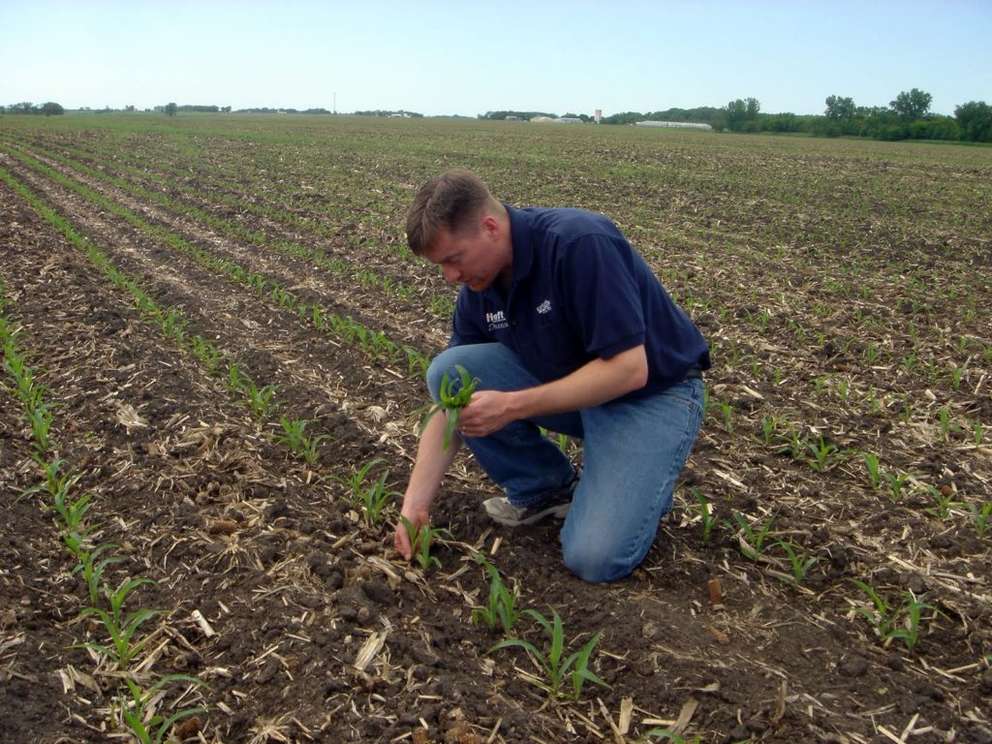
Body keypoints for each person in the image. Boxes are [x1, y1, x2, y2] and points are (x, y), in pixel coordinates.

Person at [393, 169, 709, 583]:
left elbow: (630, 369)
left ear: (490, 227)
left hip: (649, 395)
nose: (450, 277)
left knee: (594, 558)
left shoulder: (578, 243)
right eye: (441, 266)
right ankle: (546, 490)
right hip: (574, 388)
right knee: (450, 371)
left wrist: (510, 405)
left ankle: (635, 479)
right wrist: (413, 506)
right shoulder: (479, 288)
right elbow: (452, 404)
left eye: (454, 259)